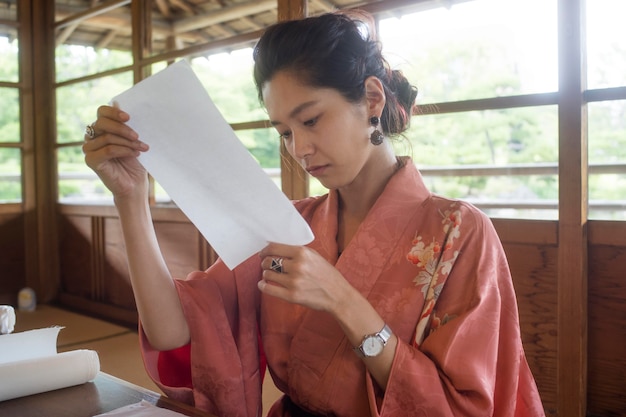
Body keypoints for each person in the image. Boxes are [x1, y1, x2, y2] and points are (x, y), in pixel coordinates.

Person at [83, 10, 546, 417]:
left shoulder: (460, 233)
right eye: (284, 131)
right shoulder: (287, 225)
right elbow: (172, 331)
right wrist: (130, 197)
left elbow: (466, 406)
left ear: (372, 99)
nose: (299, 150)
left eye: (310, 120)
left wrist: (342, 300)